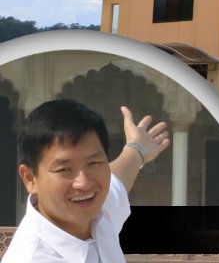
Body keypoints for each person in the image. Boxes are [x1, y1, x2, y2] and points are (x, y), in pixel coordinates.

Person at [2, 99, 171, 263]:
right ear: (30, 178)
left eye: (94, 163)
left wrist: (137, 149)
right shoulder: (33, 257)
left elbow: (118, 178)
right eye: (64, 169)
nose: (84, 183)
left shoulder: (97, 215)